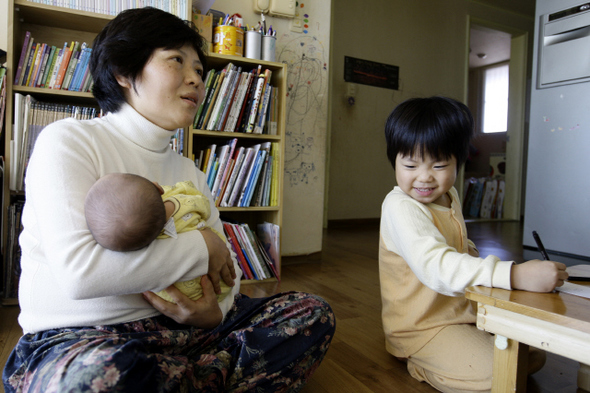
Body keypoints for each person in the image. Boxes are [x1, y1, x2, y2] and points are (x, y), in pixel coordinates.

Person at [3, 7, 335, 393]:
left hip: (188, 333)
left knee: (312, 313)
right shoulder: (69, 141)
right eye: (176, 60)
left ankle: (175, 378)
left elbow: (228, 274)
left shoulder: (190, 170)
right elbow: (82, 273)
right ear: (123, 72)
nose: (195, 77)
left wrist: (215, 314)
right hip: (83, 339)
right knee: (101, 377)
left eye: (199, 68)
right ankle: (186, 378)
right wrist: (201, 247)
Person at [379, 96, 568, 393]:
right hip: (422, 326)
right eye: (411, 164)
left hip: (460, 313)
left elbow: (464, 248)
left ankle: (464, 349)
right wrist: (515, 274)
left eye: (439, 164)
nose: (425, 177)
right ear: (395, 161)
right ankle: (419, 362)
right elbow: (438, 266)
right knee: (497, 376)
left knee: (531, 357)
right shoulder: (400, 207)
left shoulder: (449, 195)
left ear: (458, 161)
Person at [84, 173, 232, 303]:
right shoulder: (184, 202)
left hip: (184, 299)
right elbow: (204, 205)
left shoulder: (142, 246)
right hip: (221, 279)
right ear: (159, 188)